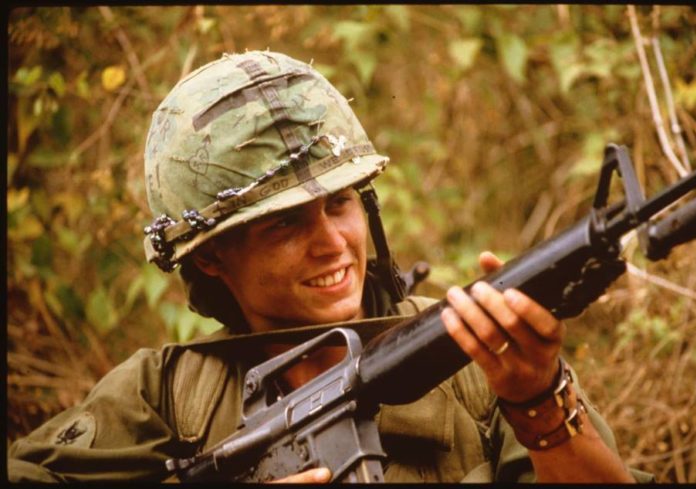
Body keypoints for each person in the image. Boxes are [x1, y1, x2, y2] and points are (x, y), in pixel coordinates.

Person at [8, 50, 652, 483]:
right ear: (210, 257)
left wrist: (540, 405)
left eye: (339, 203)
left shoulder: (469, 356)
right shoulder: (162, 396)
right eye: (284, 223)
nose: (332, 243)